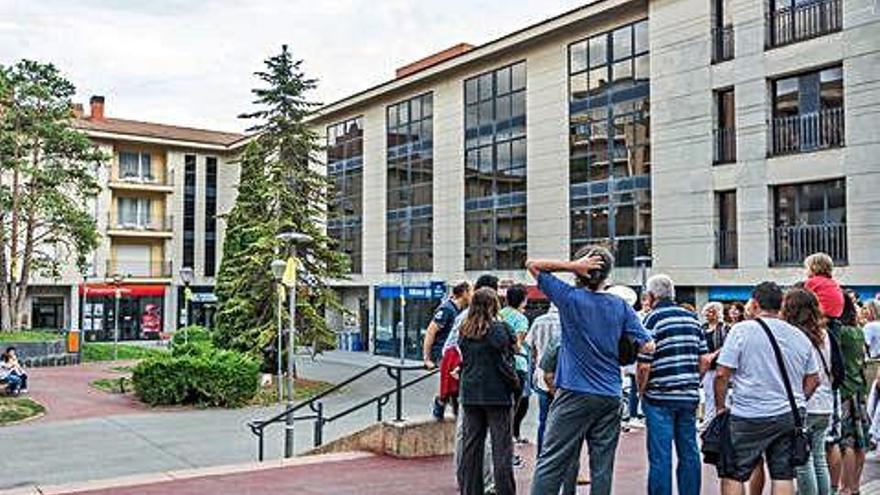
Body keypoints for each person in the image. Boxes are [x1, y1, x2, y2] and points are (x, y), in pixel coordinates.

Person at [526, 246, 654, 495]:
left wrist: (572, 266)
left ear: (582, 270)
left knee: (551, 463)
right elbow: (648, 343)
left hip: (574, 392)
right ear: (607, 274)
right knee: (602, 467)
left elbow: (532, 264)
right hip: (610, 394)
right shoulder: (620, 306)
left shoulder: (569, 298)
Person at [714, 281, 820, 495]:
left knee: (733, 471)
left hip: (748, 414)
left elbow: (722, 373)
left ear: (754, 304)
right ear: (780, 306)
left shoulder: (741, 331)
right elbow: (814, 378)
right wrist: (798, 398)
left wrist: (720, 406)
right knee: (783, 473)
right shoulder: (799, 335)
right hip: (788, 414)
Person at [637, 275, 708, 495]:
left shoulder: (651, 320)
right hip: (688, 395)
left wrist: (641, 391)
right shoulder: (692, 319)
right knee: (689, 451)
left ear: (650, 296)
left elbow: (643, 365)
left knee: (660, 455)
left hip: (659, 397)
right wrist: (693, 380)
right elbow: (704, 359)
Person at [457, 287, 518, 495]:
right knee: (502, 448)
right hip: (498, 394)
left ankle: (470, 490)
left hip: (471, 393)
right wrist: (515, 384)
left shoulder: (464, 330)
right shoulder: (502, 329)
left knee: (471, 447)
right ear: (494, 305)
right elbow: (510, 358)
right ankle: (505, 491)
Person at [448, 274, 501, 492]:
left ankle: (464, 479)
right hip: (488, 387)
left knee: (466, 435)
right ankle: (487, 482)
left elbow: (450, 347)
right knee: (487, 436)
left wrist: (461, 366)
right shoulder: (495, 324)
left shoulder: (462, 319)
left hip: (467, 383)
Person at [783, 289, 834, 495]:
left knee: (804, 461)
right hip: (825, 402)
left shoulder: (795, 335)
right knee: (819, 458)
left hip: (807, 401)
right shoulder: (824, 333)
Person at [425, 281, 472, 420]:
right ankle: (440, 403)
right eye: (471, 291)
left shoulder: (460, 310)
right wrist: (427, 359)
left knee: (454, 386)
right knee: (452, 385)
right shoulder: (446, 309)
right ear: (464, 292)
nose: (473, 294)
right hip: (443, 353)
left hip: (454, 354)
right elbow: (430, 332)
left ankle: (447, 407)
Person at [837, 295, 870, 495]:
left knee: (846, 442)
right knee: (860, 441)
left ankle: (845, 487)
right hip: (858, 389)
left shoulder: (840, 333)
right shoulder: (857, 331)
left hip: (844, 390)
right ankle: (856, 486)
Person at [526, 303, 561, 454]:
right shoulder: (566, 322)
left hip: (542, 375)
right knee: (563, 421)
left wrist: (536, 361)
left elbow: (530, 346)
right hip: (562, 377)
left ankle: (541, 454)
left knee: (543, 420)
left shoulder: (539, 321)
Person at [500, 284, 531, 445]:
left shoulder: (499, 314)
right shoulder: (521, 319)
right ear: (523, 300)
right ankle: (509, 439)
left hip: (500, 364)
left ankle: (505, 438)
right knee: (514, 405)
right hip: (517, 365)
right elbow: (518, 344)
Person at [701, 301, 729, 428]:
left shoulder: (724, 328)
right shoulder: (702, 328)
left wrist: (714, 354)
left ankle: (719, 422)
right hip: (707, 367)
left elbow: (727, 345)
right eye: (707, 311)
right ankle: (708, 421)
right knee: (708, 395)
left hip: (719, 365)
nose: (708, 314)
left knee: (721, 394)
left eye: (712, 311)